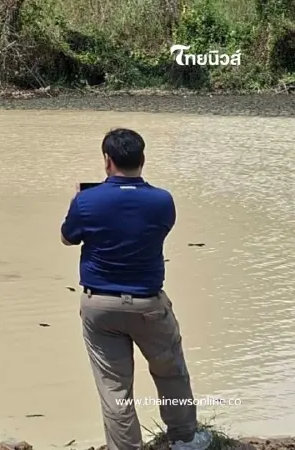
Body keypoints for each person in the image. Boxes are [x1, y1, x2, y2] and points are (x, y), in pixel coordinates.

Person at [60, 128, 212, 450]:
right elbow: (156, 230)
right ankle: (185, 438)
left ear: (107, 160)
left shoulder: (86, 202)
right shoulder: (162, 201)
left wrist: (78, 202)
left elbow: (67, 238)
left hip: (100, 306)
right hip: (148, 304)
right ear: (142, 159)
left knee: (114, 388)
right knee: (171, 373)